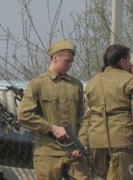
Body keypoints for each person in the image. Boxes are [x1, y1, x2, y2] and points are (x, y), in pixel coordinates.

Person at [18, 39, 89, 180]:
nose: (70, 65)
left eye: (71, 62)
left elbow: (84, 118)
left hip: (74, 152)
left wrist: (81, 142)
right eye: (67, 61)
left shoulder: (76, 85)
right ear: (55, 58)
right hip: (47, 153)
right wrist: (52, 128)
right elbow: (24, 115)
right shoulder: (37, 84)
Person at [79, 44, 133, 180]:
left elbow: (88, 115)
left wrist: (82, 141)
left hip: (96, 141)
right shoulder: (128, 80)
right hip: (121, 139)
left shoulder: (92, 82)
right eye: (129, 60)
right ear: (122, 61)